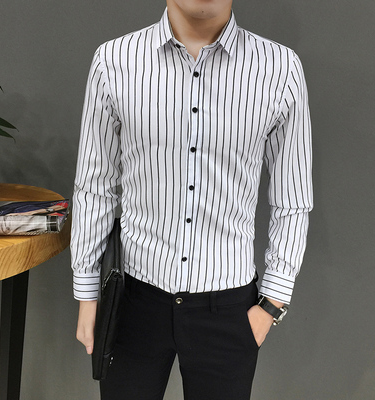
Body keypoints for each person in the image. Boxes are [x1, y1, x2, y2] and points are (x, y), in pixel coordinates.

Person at [71, 0, 313, 399]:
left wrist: (272, 303)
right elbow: (95, 185)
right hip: (134, 301)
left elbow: (293, 197)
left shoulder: (280, 69)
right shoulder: (113, 61)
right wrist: (87, 294)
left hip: (229, 310)